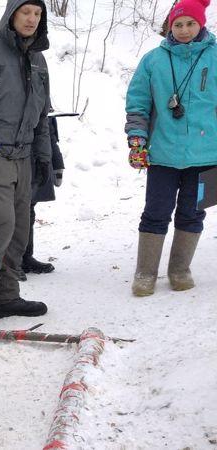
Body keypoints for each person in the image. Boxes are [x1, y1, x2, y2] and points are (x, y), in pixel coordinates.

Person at [125, 0, 217, 296]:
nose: (185, 30)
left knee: (193, 212)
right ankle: (145, 272)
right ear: (169, 27)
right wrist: (137, 139)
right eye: (178, 24)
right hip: (163, 153)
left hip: (208, 156)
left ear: (201, 24)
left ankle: (180, 269)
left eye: (191, 23)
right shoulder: (153, 60)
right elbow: (138, 103)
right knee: (155, 211)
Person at [0, 0, 52, 321]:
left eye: (37, 14)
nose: (31, 19)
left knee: (19, 228)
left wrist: (44, 155)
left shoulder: (39, 59)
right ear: (12, 14)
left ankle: (5, 296)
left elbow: (42, 113)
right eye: (25, 12)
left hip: (24, 154)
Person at [17, 112, 65, 280]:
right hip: (6, 153)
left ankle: (24, 258)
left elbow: (46, 126)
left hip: (34, 154)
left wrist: (56, 162)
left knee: (28, 208)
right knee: (6, 212)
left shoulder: (38, 87)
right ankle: (9, 262)